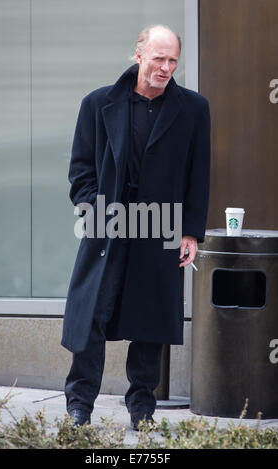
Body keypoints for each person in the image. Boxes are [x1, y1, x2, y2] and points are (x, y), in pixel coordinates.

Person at [61, 24, 210, 430]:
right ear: (139, 54)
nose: (166, 67)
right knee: (91, 317)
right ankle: (79, 406)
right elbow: (81, 171)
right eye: (159, 58)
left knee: (150, 322)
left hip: (159, 228)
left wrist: (191, 232)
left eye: (173, 60)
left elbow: (199, 175)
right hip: (107, 228)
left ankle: (143, 409)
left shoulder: (194, 109)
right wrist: (95, 211)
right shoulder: (98, 104)